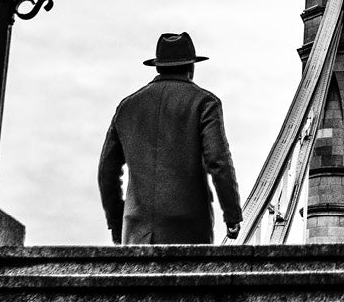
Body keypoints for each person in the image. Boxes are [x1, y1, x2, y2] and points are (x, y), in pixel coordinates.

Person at [98, 31, 244, 244]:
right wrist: (232, 215)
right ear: (191, 68)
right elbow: (218, 162)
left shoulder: (127, 107)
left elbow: (106, 172)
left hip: (136, 229)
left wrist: (116, 223)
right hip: (188, 226)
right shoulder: (205, 103)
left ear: (158, 66)